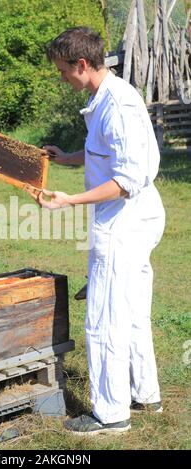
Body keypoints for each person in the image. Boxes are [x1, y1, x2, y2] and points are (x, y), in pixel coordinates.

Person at [36, 27, 165, 435]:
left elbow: (126, 180)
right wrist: (66, 158)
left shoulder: (120, 105)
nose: (61, 78)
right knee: (130, 310)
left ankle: (110, 414)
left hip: (125, 219)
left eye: (63, 71)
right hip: (132, 216)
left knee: (105, 315)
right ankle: (146, 394)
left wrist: (68, 201)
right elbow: (102, 155)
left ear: (82, 65)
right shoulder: (104, 98)